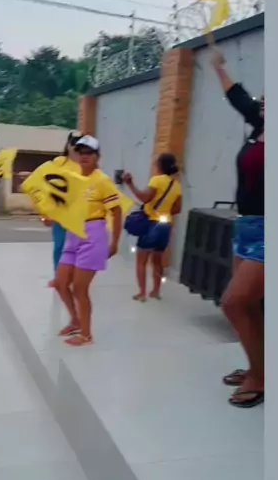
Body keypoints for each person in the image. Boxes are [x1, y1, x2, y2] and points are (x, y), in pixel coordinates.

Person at [211, 48, 264, 408]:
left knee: (234, 303)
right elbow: (237, 96)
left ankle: (260, 378)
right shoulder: (259, 125)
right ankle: (258, 366)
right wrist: (219, 67)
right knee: (250, 306)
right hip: (246, 227)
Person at [55, 135, 122, 346]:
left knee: (80, 288)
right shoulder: (73, 178)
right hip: (73, 234)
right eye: (80, 152)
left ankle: (86, 334)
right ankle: (75, 320)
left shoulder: (102, 181)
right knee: (60, 283)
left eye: (89, 153)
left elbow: (117, 211)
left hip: (93, 234)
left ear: (97, 156)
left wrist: (115, 242)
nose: (84, 157)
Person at [17, 131, 82, 286]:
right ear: (68, 145)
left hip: (79, 214)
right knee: (60, 246)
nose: (76, 147)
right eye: (73, 143)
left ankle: (76, 278)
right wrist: (45, 213)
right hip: (59, 213)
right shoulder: (57, 164)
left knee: (77, 248)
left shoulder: (86, 166)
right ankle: (59, 277)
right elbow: (46, 184)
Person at [123, 153, 183, 302]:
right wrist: (164, 210)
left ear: (160, 165)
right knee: (157, 261)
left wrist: (130, 184)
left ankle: (142, 293)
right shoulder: (177, 185)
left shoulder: (157, 180)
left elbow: (144, 197)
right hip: (165, 226)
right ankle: (156, 291)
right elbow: (177, 209)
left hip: (151, 225)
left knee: (141, 261)